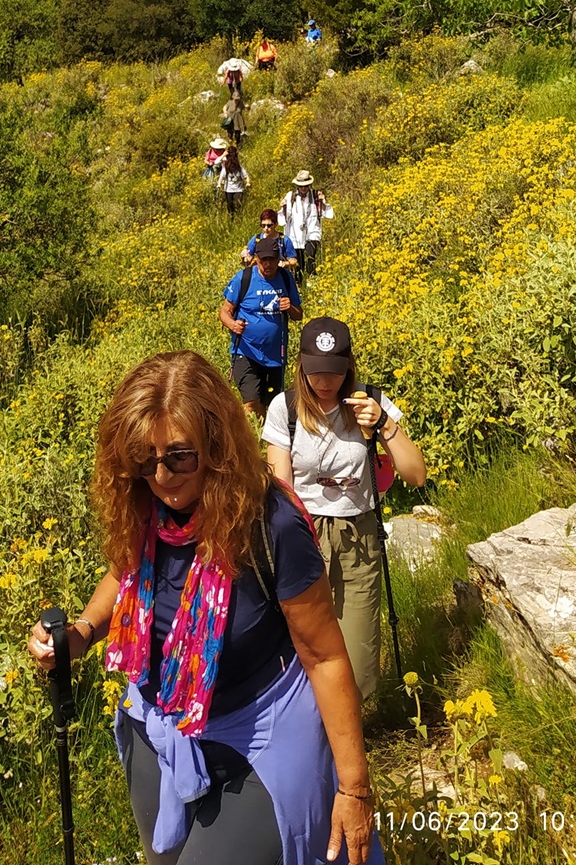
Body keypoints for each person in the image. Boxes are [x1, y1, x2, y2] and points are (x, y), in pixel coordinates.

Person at [28, 351, 384, 865]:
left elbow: (324, 658)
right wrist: (82, 633)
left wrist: (353, 790)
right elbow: (125, 573)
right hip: (157, 726)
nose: (162, 476)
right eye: (142, 459)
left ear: (216, 444)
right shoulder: (146, 504)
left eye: (179, 456)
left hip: (257, 738)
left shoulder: (271, 523)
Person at [263, 317, 426, 700]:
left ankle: (348, 737)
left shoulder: (370, 401)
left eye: (334, 372)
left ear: (348, 365)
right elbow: (281, 489)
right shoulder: (284, 409)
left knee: (358, 660)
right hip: (304, 535)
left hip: (359, 536)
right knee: (302, 648)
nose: (325, 382)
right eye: (316, 372)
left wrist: (384, 424)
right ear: (300, 365)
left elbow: (416, 474)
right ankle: (313, 742)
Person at [219, 236, 302, 415]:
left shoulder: (286, 278)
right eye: (264, 260)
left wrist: (290, 308)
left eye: (272, 259)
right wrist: (233, 325)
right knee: (250, 403)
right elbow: (224, 311)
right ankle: (248, 438)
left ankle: (264, 439)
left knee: (272, 406)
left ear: (278, 258)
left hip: (275, 354)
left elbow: (298, 315)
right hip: (246, 350)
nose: (268, 265)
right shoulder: (244, 278)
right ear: (257, 258)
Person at [279, 170, 333, 280]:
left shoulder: (315, 195)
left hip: (312, 232)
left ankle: (312, 282)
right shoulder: (291, 196)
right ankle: (299, 285)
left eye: (306, 186)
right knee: (297, 263)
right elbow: (285, 217)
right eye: (301, 186)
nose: (303, 188)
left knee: (310, 258)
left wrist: (322, 202)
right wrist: (284, 207)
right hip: (295, 234)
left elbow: (326, 213)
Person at [216, 144, 250, 216]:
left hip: (238, 189)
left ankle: (238, 217)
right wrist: (219, 184)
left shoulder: (239, 167)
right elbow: (221, 176)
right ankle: (231, 218)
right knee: (230, 205)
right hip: (228, 189)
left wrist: (247, 182)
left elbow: (246, 175)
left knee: (238, 205)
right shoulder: (226, 166)